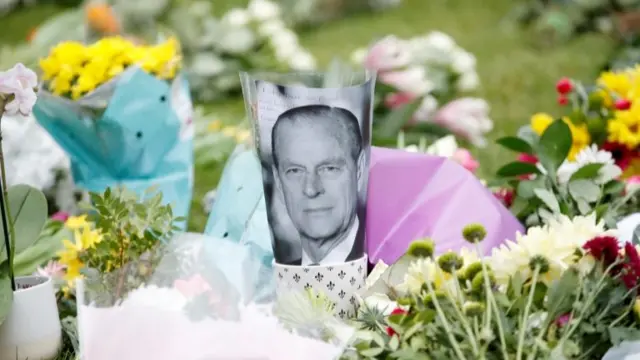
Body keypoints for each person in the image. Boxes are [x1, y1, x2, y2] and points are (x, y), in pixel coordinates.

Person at [271, 104, 365, 266]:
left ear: (359, 169)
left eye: (329, 169)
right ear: (278, 180)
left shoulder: (397, 268)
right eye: (295, 171)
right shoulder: (263, 278)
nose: (311, 189)